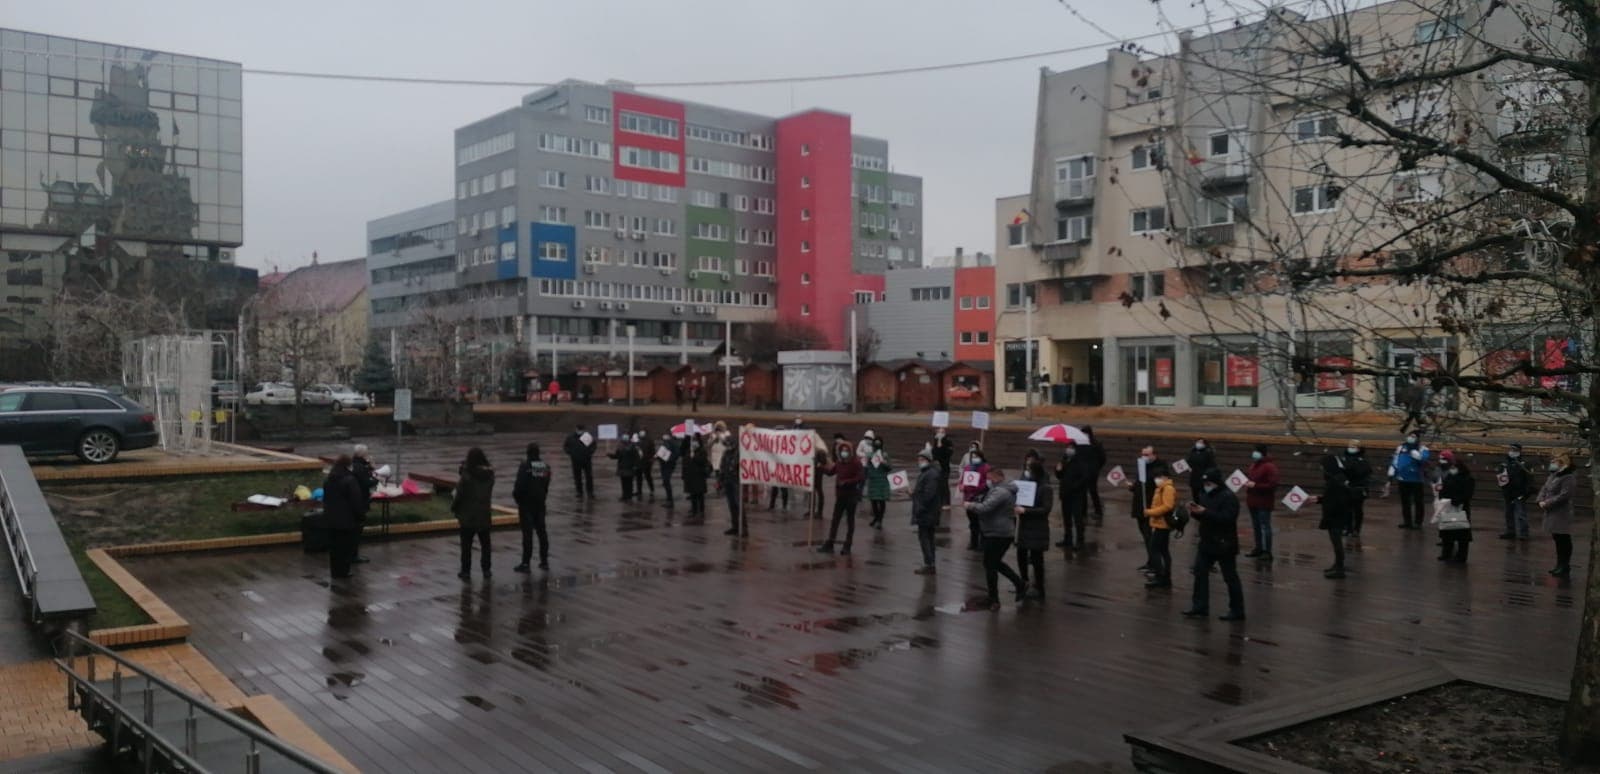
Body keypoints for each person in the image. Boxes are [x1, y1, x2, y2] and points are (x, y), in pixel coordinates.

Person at [1184, 468, 1245, 621]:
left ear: (1217, 482)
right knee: (1199, 573)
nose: (1206, 485)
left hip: (1224, 544)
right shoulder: (1204, 495)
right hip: (1206, 542)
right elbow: (1205, 517)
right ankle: (1199, 606)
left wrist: (1204, 512)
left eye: (1209, 483)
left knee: (1230, 578)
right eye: (1205, 483)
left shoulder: (1228, 497)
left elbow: (1227, 519)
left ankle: (1237, 610)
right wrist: (1194, 512)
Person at [967, 468, 1025, 608]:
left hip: (999, 533)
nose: (988, 482)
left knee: (990, 564)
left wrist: (970, 505)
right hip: (995, 531)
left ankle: (995, 599)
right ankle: (1018, 585)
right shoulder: (999, 490)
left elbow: (985, 507)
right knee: (992, 563)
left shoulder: (1001, 492)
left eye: (990, 479)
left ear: (997, 478)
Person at [451, 447, 495, 580]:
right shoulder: (490, 476)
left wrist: (454, 508)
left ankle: (466, 571)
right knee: (485, 544)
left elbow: (459, 495)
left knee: (466, 545)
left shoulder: (466, 476)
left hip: (468, 515)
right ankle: (486, 570)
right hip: (484, 514)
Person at [321, 455, 368, 580]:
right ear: (348, 466)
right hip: (347, 520)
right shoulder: (349, 480)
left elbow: (326, 499)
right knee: (346, 547)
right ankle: (344, 572)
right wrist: (361, 515)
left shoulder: (329, 479)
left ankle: (335, 572)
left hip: (331, 519)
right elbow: (356, 501)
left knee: (334, 548)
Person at [1014, 459, 1055, 598]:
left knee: (1037, 559)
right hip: (1025, 526)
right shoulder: (1027, 485)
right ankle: (1023, 582)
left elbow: (1045, 509)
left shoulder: (1045, 488)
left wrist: (1026, 511)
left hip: (1038, 528)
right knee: (1021, 554)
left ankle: (1040, 588)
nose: (1027, 472)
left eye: (1029, 470)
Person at [1314, 450, 1358, 579]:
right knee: (1336, 542)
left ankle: (1339, 567)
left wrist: (1323, 501)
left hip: (1336, 516)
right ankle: (1337, 565)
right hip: (1336, 515)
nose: (1322, 469)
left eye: (1323, 466)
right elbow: (1331, 497)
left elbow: (1337, 499)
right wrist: (1318, 499)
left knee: (1337, 542)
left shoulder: (1336, 480)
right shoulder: (1337, 478)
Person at [818, 442, 865, 555]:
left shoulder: (856, 463)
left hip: (851, 496)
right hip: (840, 496)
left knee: (850, 521)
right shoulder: (839, 462)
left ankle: (847, 545)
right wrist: (821, 468)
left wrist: (846, 482)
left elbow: (860, 477)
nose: (844, 452)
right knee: (835, 520)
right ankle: (830, 543)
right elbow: (831, 472)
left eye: (846, 450)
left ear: (850, 451)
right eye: (842, 450)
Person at [512, 442, 552, 571]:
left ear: (527, 453)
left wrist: (518, 500)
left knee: (527, 535)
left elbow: (520, 486)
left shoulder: (525, 466)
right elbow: (544, 485)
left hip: (526, 504)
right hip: (539, 503)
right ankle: (544, 561)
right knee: (542, 532)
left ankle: (526, 563)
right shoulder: (543, 466)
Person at [1538, 453, 1578, 577]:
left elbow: (1564, 495)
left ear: (1562, 463)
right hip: (1551, 511)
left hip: (1561, 512)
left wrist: (1547, 503)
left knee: (1563, 539)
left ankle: (1564, 565)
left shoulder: (1568, 477)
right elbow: (1544, 488)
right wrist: (1540, 500)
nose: (1552, 463)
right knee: (1557, 538)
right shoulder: (1553, 475)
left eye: (1555, 461)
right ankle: (1559, 564)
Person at [1125, 445, 1163, 571]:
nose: (1144, 457)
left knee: (1149, 536)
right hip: (1140, 506)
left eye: (1147, 455)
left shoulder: (1159, 468)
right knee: (1145, 535)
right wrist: (1132, 487)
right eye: (1142, 454)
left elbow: (1158, 486)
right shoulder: (1142, 466)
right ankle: (1151, 561)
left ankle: (1156, 564)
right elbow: (1139, 485)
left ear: (1154, 455)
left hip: (1151, 507)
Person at [1435, 450, 1474, 564]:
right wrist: (1443, 499)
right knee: (1447, 532)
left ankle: (1461, 556)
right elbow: (1443, 489)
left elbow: (1467, 494)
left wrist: (1456, 501)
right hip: (1448, 507)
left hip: (1460, 508)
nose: (1452, 469)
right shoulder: (1449, 477)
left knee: (1461, 534)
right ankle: (1446, 553)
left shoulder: (1467, 478)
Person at [1243, 444, 1280, 561]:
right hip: (1253, 500)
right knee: (1256, 526)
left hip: (1264, 502)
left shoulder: (1269, 467)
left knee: (1265, 526)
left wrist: (1256, 486)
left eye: (1256, 451)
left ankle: (1267, 551)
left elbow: (1273, 485)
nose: (1254, 454)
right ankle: (1258, 548)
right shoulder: (1254, 465)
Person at [1054, 441, 1093, 550]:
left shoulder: (1081, 461)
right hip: (1065, 494)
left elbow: (1085, 477)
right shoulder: (1064, 459)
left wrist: (1074, 486)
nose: (1069, 449)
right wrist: (1058, 470)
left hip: (1076, 495)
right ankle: (1068, 539)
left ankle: (1080, 541)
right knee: (1066, 518)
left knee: (1077, 518)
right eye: (1068, 447)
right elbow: (1060, 476)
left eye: (1071, 447)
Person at [1143, 467, 1176, 588]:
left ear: (1165, 477)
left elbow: (1167, 506)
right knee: (1163, 551)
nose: (1157, 480)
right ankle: (1164, 577)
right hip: (1159, 524)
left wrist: (1150, 512)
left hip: (1163, 525)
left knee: (1155, 550)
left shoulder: (1167, 489)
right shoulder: (1161, 488)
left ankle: (1161, 576)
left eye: (1159, 477)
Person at [1389, 432, 1431, 529]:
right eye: (1409, 436)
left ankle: (1418, 522)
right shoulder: (1401, 447)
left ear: (1417, 438)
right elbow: (1395, 460)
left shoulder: (1422, 448)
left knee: (1418, 501)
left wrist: (1417, 455)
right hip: (1403, 478)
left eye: (1413, 436)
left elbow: (1424, 459)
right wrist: (1392, 472)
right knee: (1405, 501)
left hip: (1416, 479)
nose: (1410, 438)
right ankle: (1407, 521)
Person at [911, 450, 943, 575]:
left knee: (925, 538)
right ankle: (930, 563)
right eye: (919, 459)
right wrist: (913, 494)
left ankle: (929, 564)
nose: (919, 462)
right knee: (928, 538)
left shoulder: (931, 474)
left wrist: (920, 507)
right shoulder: (927, 473)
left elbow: (928, 495)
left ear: (928, 460)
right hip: (928, 511)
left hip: (927, 512)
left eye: (922, 459)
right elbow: (922, 492)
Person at [958, 444, 992, 550]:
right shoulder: (968, 468)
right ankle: (973, 542)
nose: (974, 459)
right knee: (972, 522)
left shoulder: (986, 468)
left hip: (980, 498)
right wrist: (961, 486)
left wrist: (976, 487)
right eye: (972, 456)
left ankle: (982, 543)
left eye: (976, 456)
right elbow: (962, 481)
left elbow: (987, 483)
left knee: (980, 521)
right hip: (969, 498)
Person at [349, 444, 378, 564]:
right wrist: (377, 479)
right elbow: (366, 482)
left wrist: (371, 467)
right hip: (360, 501)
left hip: (356, 500)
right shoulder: (359, 467)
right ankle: (353, 555)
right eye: (366, 453)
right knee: (357, 529)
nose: (368, 455)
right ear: (361, 454)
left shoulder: (356, 464)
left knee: (355, 528)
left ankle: (352, 554)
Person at [1497, 443, 1532, 540]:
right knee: (1508, 513)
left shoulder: (1524, 464)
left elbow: (1529, 479)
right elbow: (1500, 476)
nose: (1512, 451)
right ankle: (1510, 531)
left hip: (1519, 492)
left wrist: (1526, 492)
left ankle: (1524, 533)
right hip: (1508, 492)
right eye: (1511, 449)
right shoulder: (1504, 463)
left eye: (1515, 450)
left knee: (1521, 514)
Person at [1343, 440, 1373, 537]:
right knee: (1346, 509)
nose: (1351, 448)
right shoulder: (1344, 458)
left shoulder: (1362, 460)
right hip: (1346, 487)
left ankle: (1356, 529)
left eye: (1354, 446)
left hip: (1358, 488)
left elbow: (1363, 472)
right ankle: (1348, 528)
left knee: (1357, 510)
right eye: (1350, 446)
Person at [719, 435, 744, 536]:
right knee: (731, 506)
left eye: (729, 444)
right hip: (728, 481)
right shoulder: (726, 453)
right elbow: (722, 467)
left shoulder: (739, 453)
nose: (727, 446)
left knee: (738, 506)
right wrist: (720, 480)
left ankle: (742, 528)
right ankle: (735, 526)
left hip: (736, 481)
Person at [1083, 426, 1108, 524]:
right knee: (1087, 492)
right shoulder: (1085, 443)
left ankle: (1096, 511)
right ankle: (1087, 512)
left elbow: (1102, 458)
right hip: (1088, 471)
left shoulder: (1095, 444)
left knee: (1092, 491)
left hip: (1091, 471)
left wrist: (1096, 467)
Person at [563, 424, 596, 497]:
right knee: (577, 477)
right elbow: (566, 446)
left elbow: (593, 446)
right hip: (575, 460)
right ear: (576, 429)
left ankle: (590, 492)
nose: (580, 431)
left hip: (586, 460)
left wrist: (589, 453)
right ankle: (579, 492)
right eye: (579, 429)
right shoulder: (571, 437)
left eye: (581, 429)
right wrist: (571, 453)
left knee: (589, 477)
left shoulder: (587, 436)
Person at [865, 440, 892, 529]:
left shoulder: (885, 455)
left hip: (882, 480)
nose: (876, 447)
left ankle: (880, 520)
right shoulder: (869, 455)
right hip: (873, 480)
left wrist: (883, 462)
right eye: (875, 445)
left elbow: (889, 467)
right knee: (873, 501)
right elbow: (866, 466)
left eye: (878, 445)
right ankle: (876, 518)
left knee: (881, 501)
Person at [682, 437, 710, 517]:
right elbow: (685, 463)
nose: (694, 444)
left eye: (695, 442)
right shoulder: (688, 451)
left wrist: (694, 456)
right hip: (690, 476)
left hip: (699, 476)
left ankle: (701, 511)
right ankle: (694, 511)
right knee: (693, 495)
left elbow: (702, 461)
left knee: (700, 495)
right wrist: (684, 475)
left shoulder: (702, 451)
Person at [609, 436, 642, 502]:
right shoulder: (629, 448)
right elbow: (617, 456)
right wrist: (610, 455)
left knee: (626, 483)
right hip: (626, 468)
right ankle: (626, 496)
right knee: (627, 483)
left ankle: (627, 496)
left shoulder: (626, 448)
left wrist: (610, 455)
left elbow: (636, 457)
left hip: (626, 468)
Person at [767, 425, 792, 510]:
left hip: (782, 467)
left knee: (782, 488)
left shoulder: (786, 443)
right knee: (775, 487)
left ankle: (782, 505)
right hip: (775, 466)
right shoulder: (774, 443)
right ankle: (772, 504)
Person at [932, 427, 955, 509]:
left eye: (942, 432)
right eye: (939, 431)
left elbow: (948, 453)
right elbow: (934, 454)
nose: (940, 433)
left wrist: (941, 446)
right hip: (936, 467)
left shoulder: (948, 442)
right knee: (937, 485)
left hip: (944, 467)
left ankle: (946, 503)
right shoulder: (935, 441)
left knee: (944, 485)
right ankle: (939, 502)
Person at [657, 431, 680, 505]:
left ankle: (670, 500)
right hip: (664, 464)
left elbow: (676, 454)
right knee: (665, 481)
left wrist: (669, 459)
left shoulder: (672, 443)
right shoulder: (666, 442)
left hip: (668, 464)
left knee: (666, 481)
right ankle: (668, 499)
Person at [636, 431, 657, 498]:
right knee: (639, 477)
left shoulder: (649, 441)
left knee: (648, 476)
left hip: (647, 462)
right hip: (639, 462)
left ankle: (652, 490)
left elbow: (653, 451)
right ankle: (639, 491)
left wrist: (651, 459)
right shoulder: (637, 442)